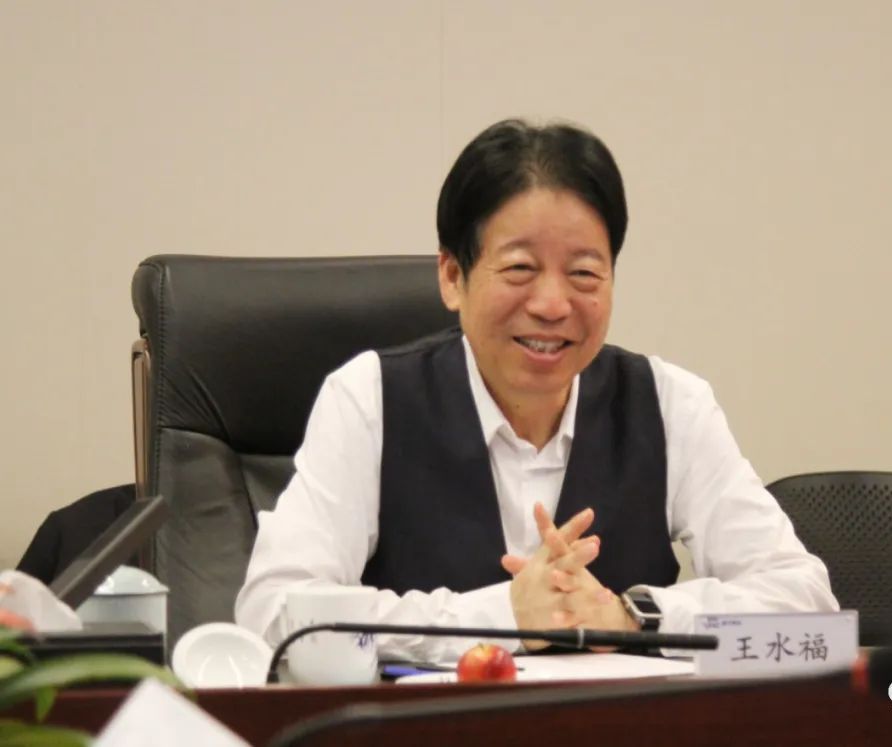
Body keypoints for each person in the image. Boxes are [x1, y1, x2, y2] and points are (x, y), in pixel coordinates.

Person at [235, 119, 837, 662]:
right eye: (520, 268)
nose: (552, 304)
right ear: (453, 276)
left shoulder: (671, 404)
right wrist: (503, 617)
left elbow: (812, 618)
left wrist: (633, 618)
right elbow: (273, 615)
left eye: (584, 273)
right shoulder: (370, 400)